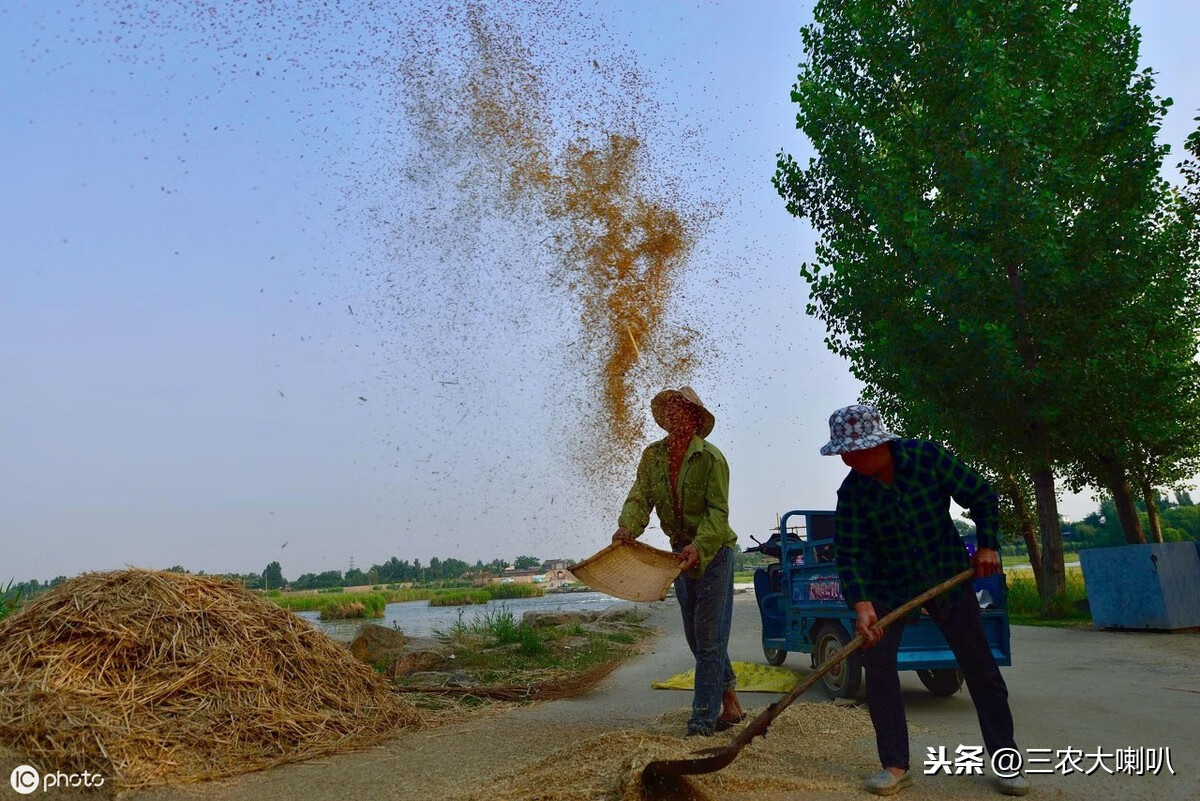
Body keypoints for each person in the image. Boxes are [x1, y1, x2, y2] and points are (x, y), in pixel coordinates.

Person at [820, 404, 1029, 797]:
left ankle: (1007, 763)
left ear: (878, 444)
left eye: (853, 451)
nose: (847, 459)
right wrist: (862, 604)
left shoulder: (926, 458)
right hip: (889, 585)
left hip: (945, 574)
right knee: (878, 667)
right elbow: (850, 553)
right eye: (843, 453)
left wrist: (987, 546)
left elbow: (982, 495)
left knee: (981, 668)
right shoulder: (853, 492)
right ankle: (895, 766)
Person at [613, 386, 745, 737]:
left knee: (710, 639)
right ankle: (731, 703)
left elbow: (719, 513)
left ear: (694, 418)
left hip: (713, 552)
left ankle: (701, 722)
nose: (673, 416)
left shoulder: (711, 458)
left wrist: (699, 547)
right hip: (678, 553)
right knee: (697, 637)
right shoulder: (653, 457)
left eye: (680, 410)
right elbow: (640, 497)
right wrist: (628, 527)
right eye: (668, 411)